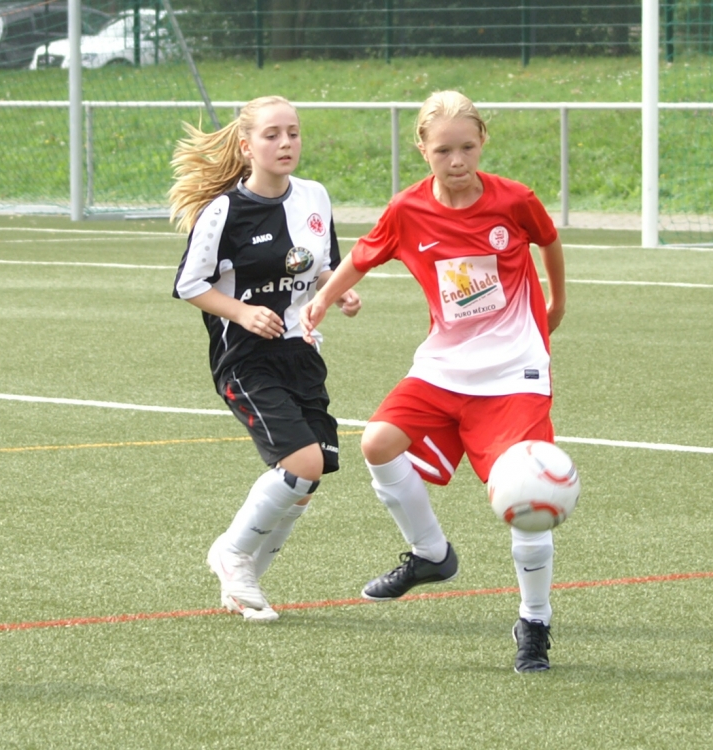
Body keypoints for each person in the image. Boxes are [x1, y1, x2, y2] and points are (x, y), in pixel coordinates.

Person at [301, 90, 566, 671]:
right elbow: (364, 255)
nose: (457, 160)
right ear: (422, 148)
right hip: (444, 367)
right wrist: (322, 299)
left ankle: (535, 621)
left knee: (528, 498)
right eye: (443, 150)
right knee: (377, 442)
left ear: (482, 141)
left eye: (467, 147)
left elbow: (548, 240)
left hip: (515, 373)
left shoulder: (514, 200)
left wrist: (558, 303)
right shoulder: (408, 209)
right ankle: (431, 554)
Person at [169, 95, 361, 622]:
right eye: (272, 134)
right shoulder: (224, 211)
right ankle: (231, 554)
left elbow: (323, 267)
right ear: (246, 145)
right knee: (302, 464)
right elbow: (189, 284)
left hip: (302, 351)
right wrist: (242, 312)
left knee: (308, 478)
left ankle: (245, 584)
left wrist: (337, 291)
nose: (285, 143)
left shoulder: (315, 196)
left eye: (292, 133)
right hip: (246, 358)